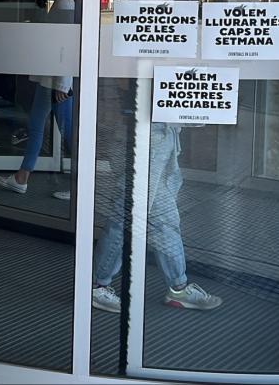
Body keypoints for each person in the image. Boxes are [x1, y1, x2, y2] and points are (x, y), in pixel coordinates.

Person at [90, 122, 223, 312]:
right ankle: (97, 286)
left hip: (158, 136)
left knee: (163, 221)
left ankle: (178, 288)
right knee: (125, 218)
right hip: (148, 138)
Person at [0, 0, 76, 200]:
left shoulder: (66, 3)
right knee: (36, 125)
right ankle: (22, 178)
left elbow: (65, 45)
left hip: (56, 82)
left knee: (68, 131)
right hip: (49, 79)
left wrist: (63, 83)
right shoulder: (62, 2)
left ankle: (81, 185)